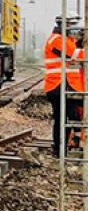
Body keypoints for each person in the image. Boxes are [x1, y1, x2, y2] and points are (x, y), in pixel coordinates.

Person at [44, 17, 85, 157]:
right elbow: (76, 54)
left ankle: (71, 145)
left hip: (68, 85)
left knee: (72, 116)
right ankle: (60, 150)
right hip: (58, 85)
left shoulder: (66, 40)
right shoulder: (56, 40)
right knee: (64, 118)